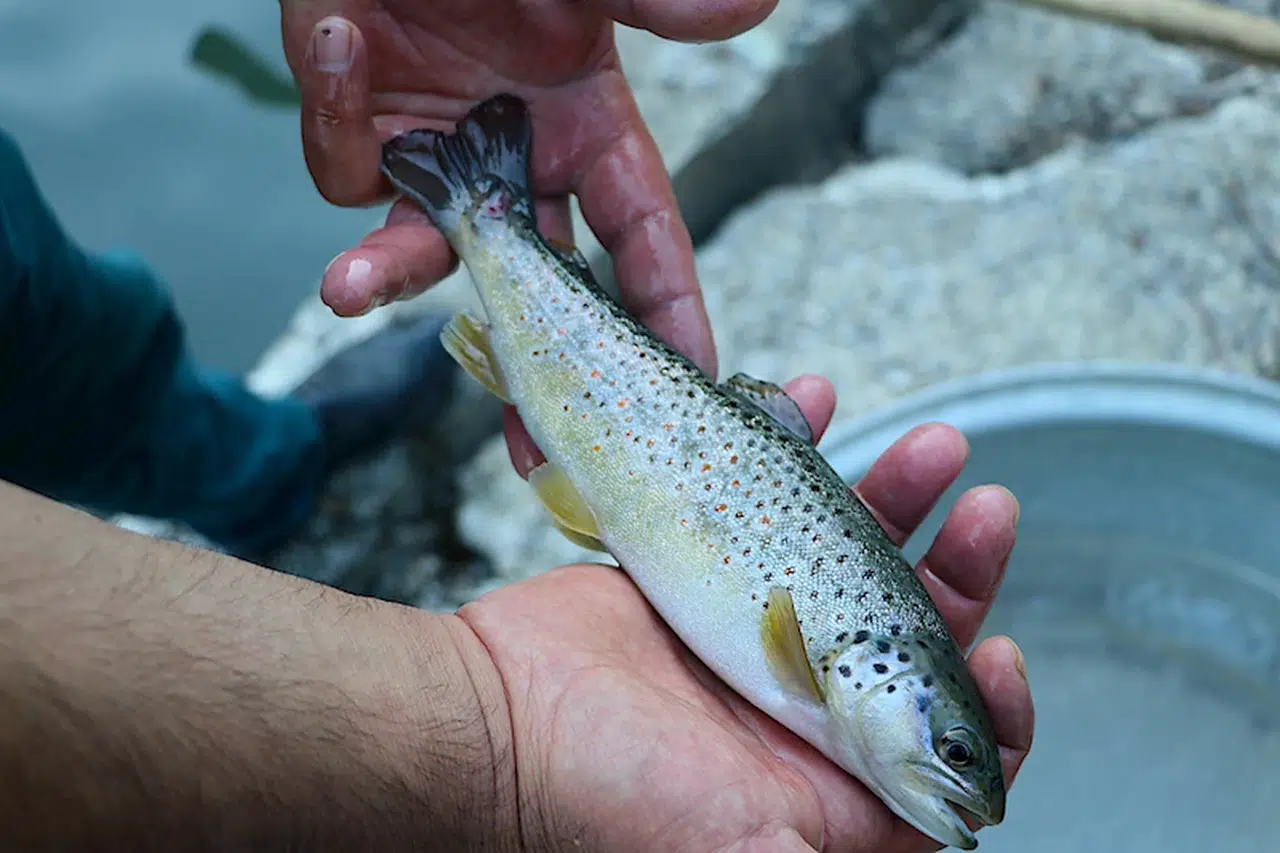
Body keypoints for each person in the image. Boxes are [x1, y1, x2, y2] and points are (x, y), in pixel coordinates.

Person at [0, 2, 1035, 851]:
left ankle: (261, 460)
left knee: (74, 335)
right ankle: (445, 265)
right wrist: (501, 749)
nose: (958, 790)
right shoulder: (818, 668)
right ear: (872, 669)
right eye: (949, 752)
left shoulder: (848, 684)